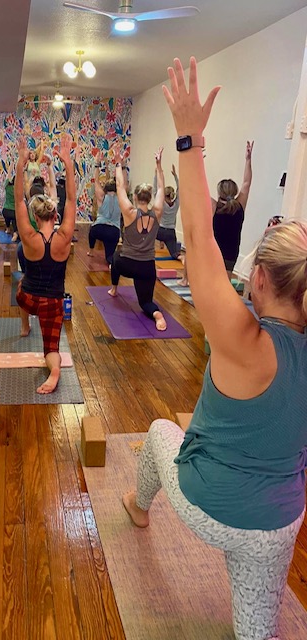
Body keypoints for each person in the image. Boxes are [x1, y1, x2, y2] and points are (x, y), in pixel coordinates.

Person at [123, 57, 307, 640]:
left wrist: (190, 138)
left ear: (259, 280)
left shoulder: (242, 336)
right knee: (256, 633)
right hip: (281, 523)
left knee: (160, 431)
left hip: (211, 507)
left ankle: (137, 507)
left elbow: (197, 236)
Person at [15, 133, 75, 394]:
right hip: (53, 303)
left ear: (35, 217)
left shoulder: (29, 238)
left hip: (28, 299)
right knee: (51, 349)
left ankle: (25, 324)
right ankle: (54, 370)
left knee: (20, 284)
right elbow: (71, 199)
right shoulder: (64, 237)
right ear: (55, 215)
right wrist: (68, 164)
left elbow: (19, 199)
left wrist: (21, 163)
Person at [108, 146, 167, 331]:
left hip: (126, 264)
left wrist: (118, 162)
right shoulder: (157, 212)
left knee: (114, 257)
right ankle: (157, 315)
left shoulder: (129, 212)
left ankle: (114, 289)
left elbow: (119, 186)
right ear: (149, 198)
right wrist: (158, 165)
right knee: (145, 303)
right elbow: (161, 188)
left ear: (134, 197)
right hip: (147, 267)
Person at [212, 141, 254, 278]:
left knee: (211, 281)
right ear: (235, 191)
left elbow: (198, 189)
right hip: (231, 253)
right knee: (225, 282)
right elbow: (247, 183)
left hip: (214, 252)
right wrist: (248, 160)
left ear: (219, 192)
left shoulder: (214, 206)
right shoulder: (239, 206)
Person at [87, 150, 122, 266]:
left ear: (105, 188)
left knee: (91, 231)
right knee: (109, 258)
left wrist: (97, 163)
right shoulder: (121, 198)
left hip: (99, 230)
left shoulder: (101, 197)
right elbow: (121, 183)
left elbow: (96, 181)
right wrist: (121, 165)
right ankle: (111, 261)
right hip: (114, 232)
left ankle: (91, 251)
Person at [154, 163, 182, 260]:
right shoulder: (176, 204)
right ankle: (183, 259)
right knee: (175, 254)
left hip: (159, 231)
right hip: (171, 233)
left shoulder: (162, 203)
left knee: (147, 233)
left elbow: (155, 191)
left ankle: (146, 252)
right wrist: (175, 176)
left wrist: (156, 175)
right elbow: (180, 189)